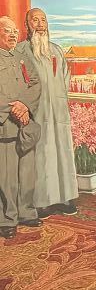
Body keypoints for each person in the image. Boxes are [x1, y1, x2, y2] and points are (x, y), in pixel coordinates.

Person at [17, 8, 77, 217]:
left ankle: (65, 197)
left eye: (43, 20)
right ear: (27, 25)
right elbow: (19, 81)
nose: (40, 24)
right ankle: (42, 201)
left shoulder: (57, 50)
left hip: (58, 111)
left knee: (63, 152)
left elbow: (65, 77)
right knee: (42, 155)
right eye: (35, 20)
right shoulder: (21, 51)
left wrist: (59, 98)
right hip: (37, 111)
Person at [0, 16, 41, 240]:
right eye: (7, 30)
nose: (13, 34)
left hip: (25, 123)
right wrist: (13, 109)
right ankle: (7, 219)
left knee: (27, 172)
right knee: (6, 177)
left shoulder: (22, 57)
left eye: (15, 31)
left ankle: (26, 212)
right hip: (5, 125)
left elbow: (36, 83)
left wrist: (24, 105)